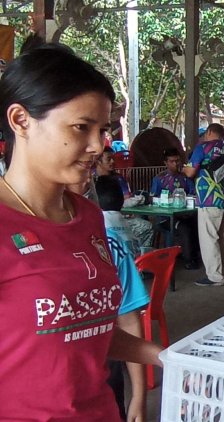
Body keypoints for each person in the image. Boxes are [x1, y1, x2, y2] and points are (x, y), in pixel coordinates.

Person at [0, 39, 162, 420]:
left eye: (102, 129)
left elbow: (86, 331)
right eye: (80, 127)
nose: (97, 145)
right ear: (21, 120)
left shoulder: (87, 216)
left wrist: (167, 356)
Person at [95, 175, 151, 422]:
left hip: (104, 378)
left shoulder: (109, 245)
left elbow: (128, 322)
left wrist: (139, 396)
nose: (95, 145)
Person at [184, 122, 224, 286]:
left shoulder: (202, 148)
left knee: (209, 237)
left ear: (209, 132)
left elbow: (191, 171)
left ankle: (214, 276)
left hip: (208, 199)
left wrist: (183, 169)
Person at [150, 147, 201, 269]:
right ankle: (188, 260)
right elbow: (152, 199)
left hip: (185, 214)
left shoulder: (185, 177)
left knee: (198, 223)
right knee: (184, 228)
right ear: (165, 163)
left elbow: (193, 193)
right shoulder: (159, 179)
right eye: (172, 161)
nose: (176, 164)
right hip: (165, 217)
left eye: (177, 160)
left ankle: (195, 255)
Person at [95, 145, 154, 248]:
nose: (113, 162)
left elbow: (126, 199)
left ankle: (139, 256)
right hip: (99, 220)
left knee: (146, 226)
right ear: (98, 161)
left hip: (121, 217)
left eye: (113, 159)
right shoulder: (90, 180)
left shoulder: (119, 179)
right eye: (109, 159)